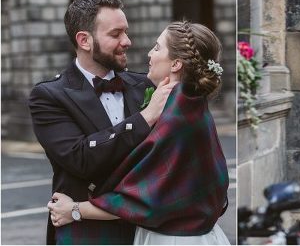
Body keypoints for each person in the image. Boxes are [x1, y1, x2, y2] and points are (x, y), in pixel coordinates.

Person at [47, 21, 230, 244]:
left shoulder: (178, 115)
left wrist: (75, 209)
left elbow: (142, 200)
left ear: (176, 64)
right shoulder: (189, 102)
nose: (149, 53)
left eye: (156, 47)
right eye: (116, 32)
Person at [29, 0, 176, 244]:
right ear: (84, 40)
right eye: (116, 34)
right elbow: (81, 159)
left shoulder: (145, 85)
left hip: (148, 228)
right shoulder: (49, 96)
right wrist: (145, 117)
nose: (127, 41)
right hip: (86, 231)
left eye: (126, 32)